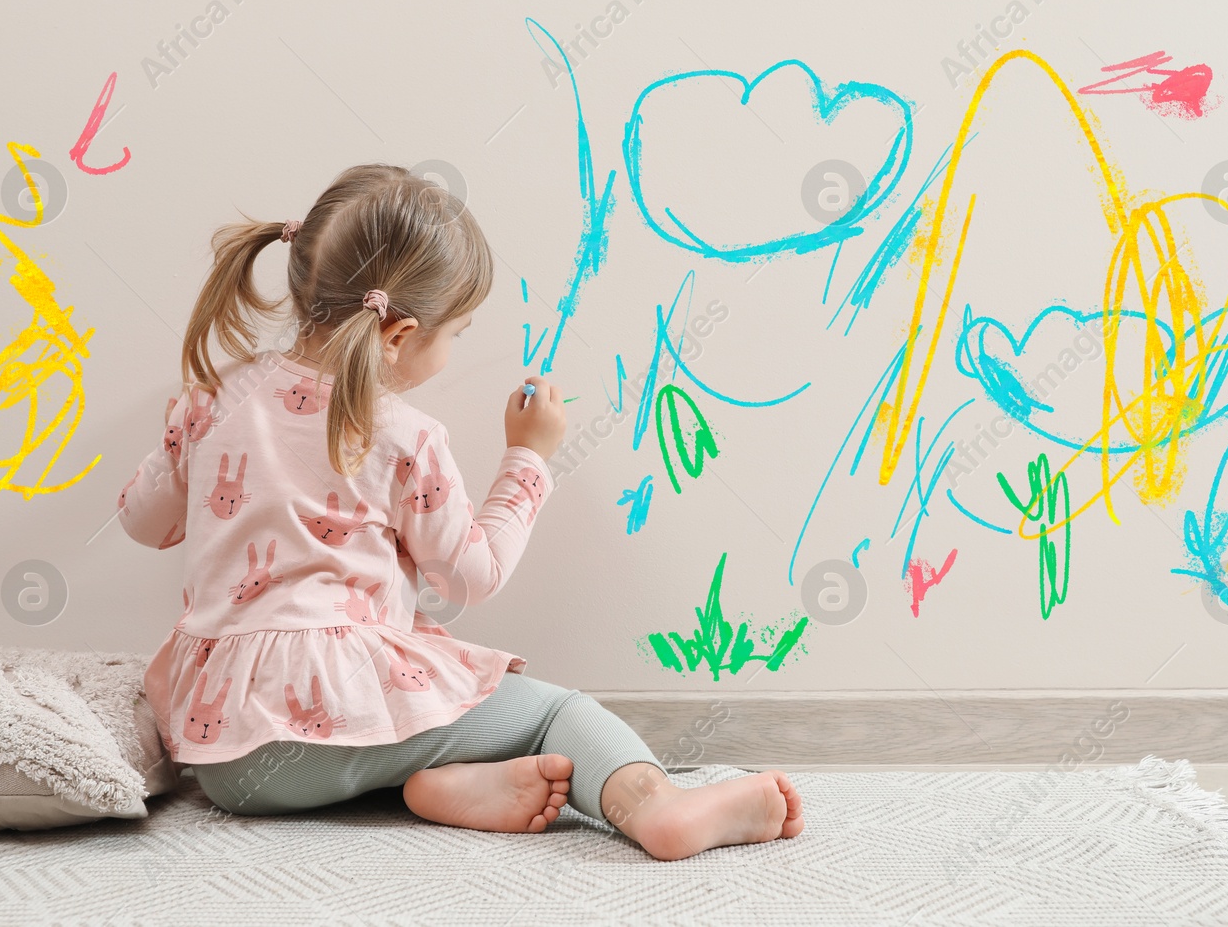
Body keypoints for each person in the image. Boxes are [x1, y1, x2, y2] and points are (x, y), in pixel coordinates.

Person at [117, 163, 803, 859]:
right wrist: (527, 458)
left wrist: (189, 454)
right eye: (458, 332)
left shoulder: (208, 400)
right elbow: (471, 576)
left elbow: (143, 522)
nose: (454, 349)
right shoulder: (400, 435)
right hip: (331, 712)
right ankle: (658, 807)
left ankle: (433, 782)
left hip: (225, 756)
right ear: (398, 334)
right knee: (558, 714)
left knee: (393, 726)